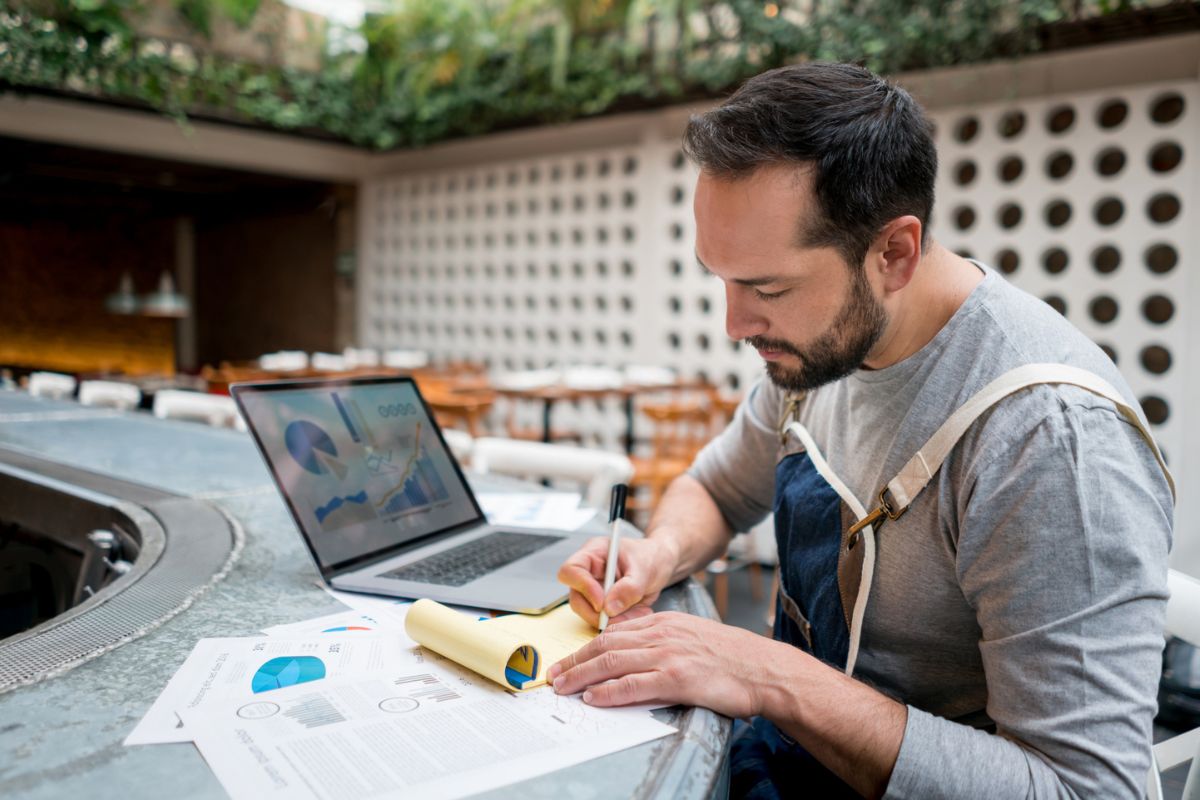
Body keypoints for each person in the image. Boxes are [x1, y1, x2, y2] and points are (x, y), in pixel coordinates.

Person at [547, 62, 1175, 798]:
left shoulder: (1050, 444)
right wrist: (658, 552)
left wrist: (772, 675)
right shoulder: (824, 350)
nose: (735, 324)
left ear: (893, 253)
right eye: (721, 279)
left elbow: (1089, 791)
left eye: (767, 287)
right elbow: (717, 487)